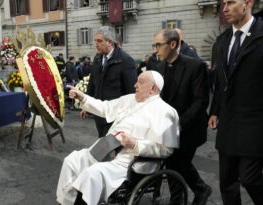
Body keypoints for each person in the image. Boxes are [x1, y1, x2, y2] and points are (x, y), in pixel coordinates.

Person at [56, 71, 180, 205]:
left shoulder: (167, 112)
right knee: (72, 161)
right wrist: (83, 98)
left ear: (153, 88)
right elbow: (105, 107)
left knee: (92, 175)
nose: (135, 85)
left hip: (127, 161)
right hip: (104, 149)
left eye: (140, 82)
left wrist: (135, 144)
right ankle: (65, 203)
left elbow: (166, 149)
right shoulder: (130, 98)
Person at [208, 1, 263, 204]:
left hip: (257, 122)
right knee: (226, 181)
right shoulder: (221, 41)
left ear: (247, 3)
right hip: (228, 121)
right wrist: (215, 110)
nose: (224, 8)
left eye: (230, 2)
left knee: (250, 178)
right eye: (223, 3)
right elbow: (220, 80)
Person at [152, 29, 211, 205]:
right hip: (167, 129)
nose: (156, 50)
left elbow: (200, 101)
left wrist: (179, 123)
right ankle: (182, 198)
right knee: (172, 164)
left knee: (179, 163)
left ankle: (200, 190)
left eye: (158, 45)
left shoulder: (195, 66)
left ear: (172, 44)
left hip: (189, 128)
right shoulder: (158, 68)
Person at [84, 26, 137, 138]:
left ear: (110, 42)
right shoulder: (97, 58)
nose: (96, 44)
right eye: (95, 41)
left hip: (115, 116)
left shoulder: (125, 60)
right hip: (99, 113)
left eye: (99, 41)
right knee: (102, 144)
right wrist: (87, 106)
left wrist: (127, 116)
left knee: (114, 148)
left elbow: (131, 92)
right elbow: (92, 83)